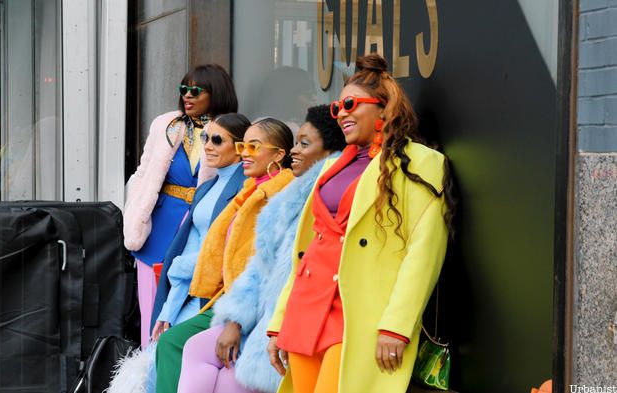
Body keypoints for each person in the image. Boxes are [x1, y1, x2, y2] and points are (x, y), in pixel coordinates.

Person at [266, 53, 455, 393]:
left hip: (359, 315)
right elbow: (305, 250)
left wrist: (397, 326)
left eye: (351, 104)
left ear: (384, 107)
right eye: (337, 108)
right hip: (307, 309)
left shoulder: (419, 164)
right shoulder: (331, 167)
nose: (342, 114)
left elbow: (424, 252)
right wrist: (280, 321)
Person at [175, 105, 347, 393]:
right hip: (258, 316)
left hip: (287, 325)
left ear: (328, 154)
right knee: (196, 349)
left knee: (231, 375)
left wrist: (272, 328)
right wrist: (236, 319)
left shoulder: (318, 201)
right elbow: (258, 267)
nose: (294, 150)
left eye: (304, 144)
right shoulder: (287, 198)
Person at [155, 118, 296, 393]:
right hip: (228, 298)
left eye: (254, 147)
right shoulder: (250, 191)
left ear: (279, 155)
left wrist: (236, 319)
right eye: (244, 145)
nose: (245, 153)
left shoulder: (277, 196)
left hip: (255, 310)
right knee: (175, 343)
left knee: (189, 349)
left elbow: (262, 267)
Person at [124, 64, 238, 349]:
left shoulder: (230, 130)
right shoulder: (166, 124)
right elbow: (142, 173)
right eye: (183, 89)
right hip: (159, 227)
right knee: (152, 314)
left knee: (187, 310)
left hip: (200, 228)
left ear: (216, 93)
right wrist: (134, 213)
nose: (187, 95)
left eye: (196, 90)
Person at [152, 113, 251, 340]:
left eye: (217, 140)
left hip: (223, 298)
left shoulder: (247, 189)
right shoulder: (205, 189)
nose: (207, 146)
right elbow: (189, 249)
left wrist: (182, 266)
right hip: (194, 293)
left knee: (172, 348)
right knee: (158, 349)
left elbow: (232, 254)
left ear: (239, 148)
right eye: (205, 138)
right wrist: (167, 313)